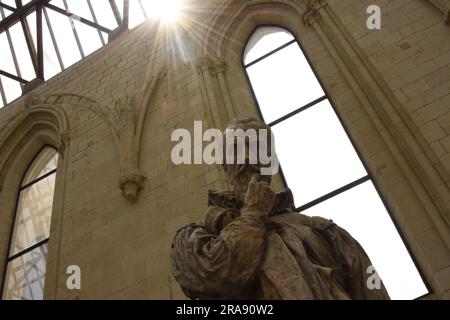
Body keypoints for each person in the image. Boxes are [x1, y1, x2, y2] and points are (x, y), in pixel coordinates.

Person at [170, 117, 389, 299]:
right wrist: (253, 215)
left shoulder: (325, 231)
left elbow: (371, 290)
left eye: (257, 147)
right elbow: (216, 276)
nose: (247, 156)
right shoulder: (194, 240)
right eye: (236, 147)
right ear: (224, 162)